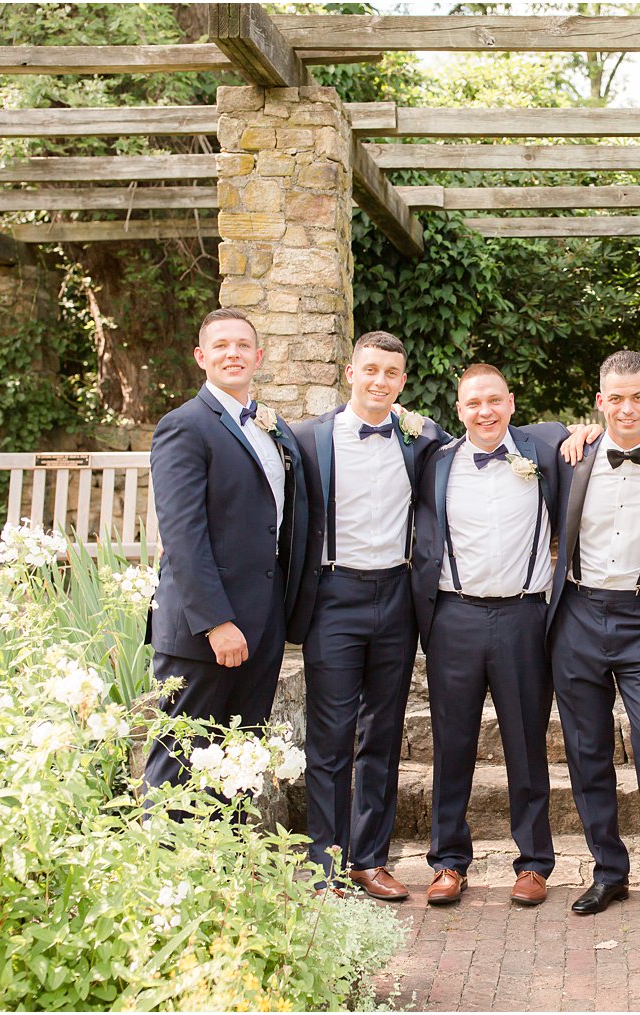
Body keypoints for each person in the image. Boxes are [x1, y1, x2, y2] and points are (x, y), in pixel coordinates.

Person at [288, 331, 446, 900]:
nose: (380, 381)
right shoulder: (309, 439)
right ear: (350, 372)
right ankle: (325, 864)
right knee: (329, 736)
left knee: (382, 732)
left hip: (397, 597)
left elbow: (489, 439)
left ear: (403, 382)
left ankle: (370, 859)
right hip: (334, 596)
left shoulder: (419, 438)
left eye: (392, 373)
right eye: (371, 370)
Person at [547, 350, 640, 932]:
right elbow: (515, 431)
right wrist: (577, 431)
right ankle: (608, 871)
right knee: (587, 752)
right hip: (578, 618)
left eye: (638, 397)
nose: (627, 408)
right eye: (616, 398)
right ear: (599, 401)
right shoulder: (571, 455)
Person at [410, 364, 573, 908]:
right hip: (452, 617)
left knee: (526, 744)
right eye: (473, 403)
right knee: (451, 746)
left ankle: (533, 864)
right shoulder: (435, 461)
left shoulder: (544, 449)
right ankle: (449, 862)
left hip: (524, 618)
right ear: (458, 410)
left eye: (494, 401)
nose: (485, 411)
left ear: (511, 403)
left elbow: (599, 436)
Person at [144, 308, 311, 800]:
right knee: (181, 760)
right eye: (221, 346)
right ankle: (167, 872)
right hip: (205, 632)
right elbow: (182, 534)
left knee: (240, 760)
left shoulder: (270, 427)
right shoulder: (184, 426)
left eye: (242, 345)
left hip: (261, 626)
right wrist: (217, 622)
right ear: (202, 357)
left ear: (258, 356)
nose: (232, 353)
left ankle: (228, 871)